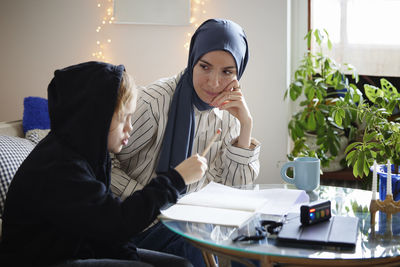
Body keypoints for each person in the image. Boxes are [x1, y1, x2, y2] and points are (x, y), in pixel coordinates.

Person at [0, 61, 208, 267]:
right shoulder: (59, 165)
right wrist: (176, 179)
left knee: (179, 264)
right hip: (43, 261)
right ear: (95, 117)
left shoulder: (90, 155)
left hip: (79, 248)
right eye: (123, 118)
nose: (130, 127)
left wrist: (127, 255)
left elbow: (101, 228)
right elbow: (117, 222)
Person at [112, 19, 261, 267]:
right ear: (193, 60)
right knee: (193, 243)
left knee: (254, 243)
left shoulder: (231, 114)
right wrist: (153, 201)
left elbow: (233, 193)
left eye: (227, 72)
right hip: (139, 225)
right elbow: (102, 162)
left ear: (239, 73)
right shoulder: (153, 103)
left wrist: (246, 126)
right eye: (205, 67)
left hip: (193, 223)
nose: (213, 83)